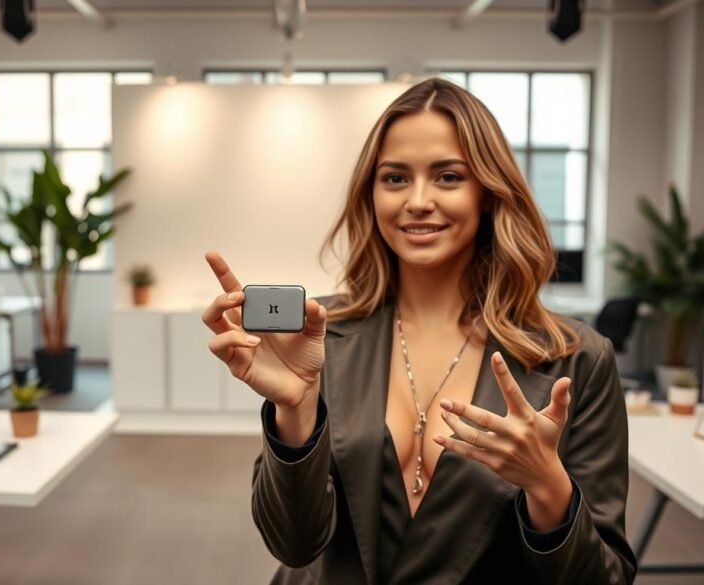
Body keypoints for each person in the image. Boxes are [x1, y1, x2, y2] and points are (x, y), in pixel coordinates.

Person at [202, 77, 635, 584]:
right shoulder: (317, 336)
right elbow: (294, 547)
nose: (418, 200)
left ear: (489, 194)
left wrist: (548, 487)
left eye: (448, 177)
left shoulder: (577, 358)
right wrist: (294, 414)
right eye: (395, 178)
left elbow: (605, 579)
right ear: (372, 193)